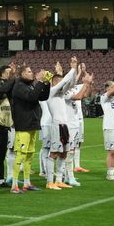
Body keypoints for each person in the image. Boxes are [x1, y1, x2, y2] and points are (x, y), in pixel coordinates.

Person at [10, 64, 50, 193]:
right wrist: (39, 82)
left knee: (29, 155)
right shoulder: (18, 86)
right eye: (29, 71)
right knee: (21, 155)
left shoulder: (29, 85)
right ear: (22, 74)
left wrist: (46, 83)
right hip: (23, 125)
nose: (32, 73)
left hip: (32, 124)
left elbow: (43, 97)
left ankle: (27, 183)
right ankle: (14, 185)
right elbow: (31, 97)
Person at [45, 58, 78, 190]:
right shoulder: (51, 93)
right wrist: (73, 68)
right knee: (53, 153)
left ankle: (58, 180)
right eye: (58, 82)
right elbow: (65, 81)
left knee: (64, 153)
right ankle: (49, 181)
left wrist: (74, 70)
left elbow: (69, 81)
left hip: (65, 126)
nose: (61, 85)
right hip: (56, 126)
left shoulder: (62, 94)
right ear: (54, 83)